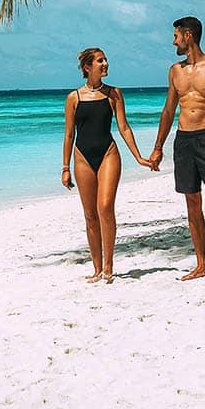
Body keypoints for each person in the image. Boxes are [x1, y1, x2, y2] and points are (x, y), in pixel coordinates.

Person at [149, 16, 205, 283]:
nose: (174, 41)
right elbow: (168, 110)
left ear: (188, 35)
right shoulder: (175, 71)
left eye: (176, 36)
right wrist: (158, 147)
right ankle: (202, 263)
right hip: (183, 141)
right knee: (192, 202)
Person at [61, 47, 156, 283]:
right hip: (82, 157)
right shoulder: (74, 97)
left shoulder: (114, 94)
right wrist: (65, 168)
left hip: (108, 154)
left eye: (105, 60)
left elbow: (123, 127)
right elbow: (68, 134)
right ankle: (96, 269)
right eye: (100, 61)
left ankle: (109, 265)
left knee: (105, 207)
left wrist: (138, 157)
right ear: (87, 67)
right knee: (90, 215)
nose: (105, 64)